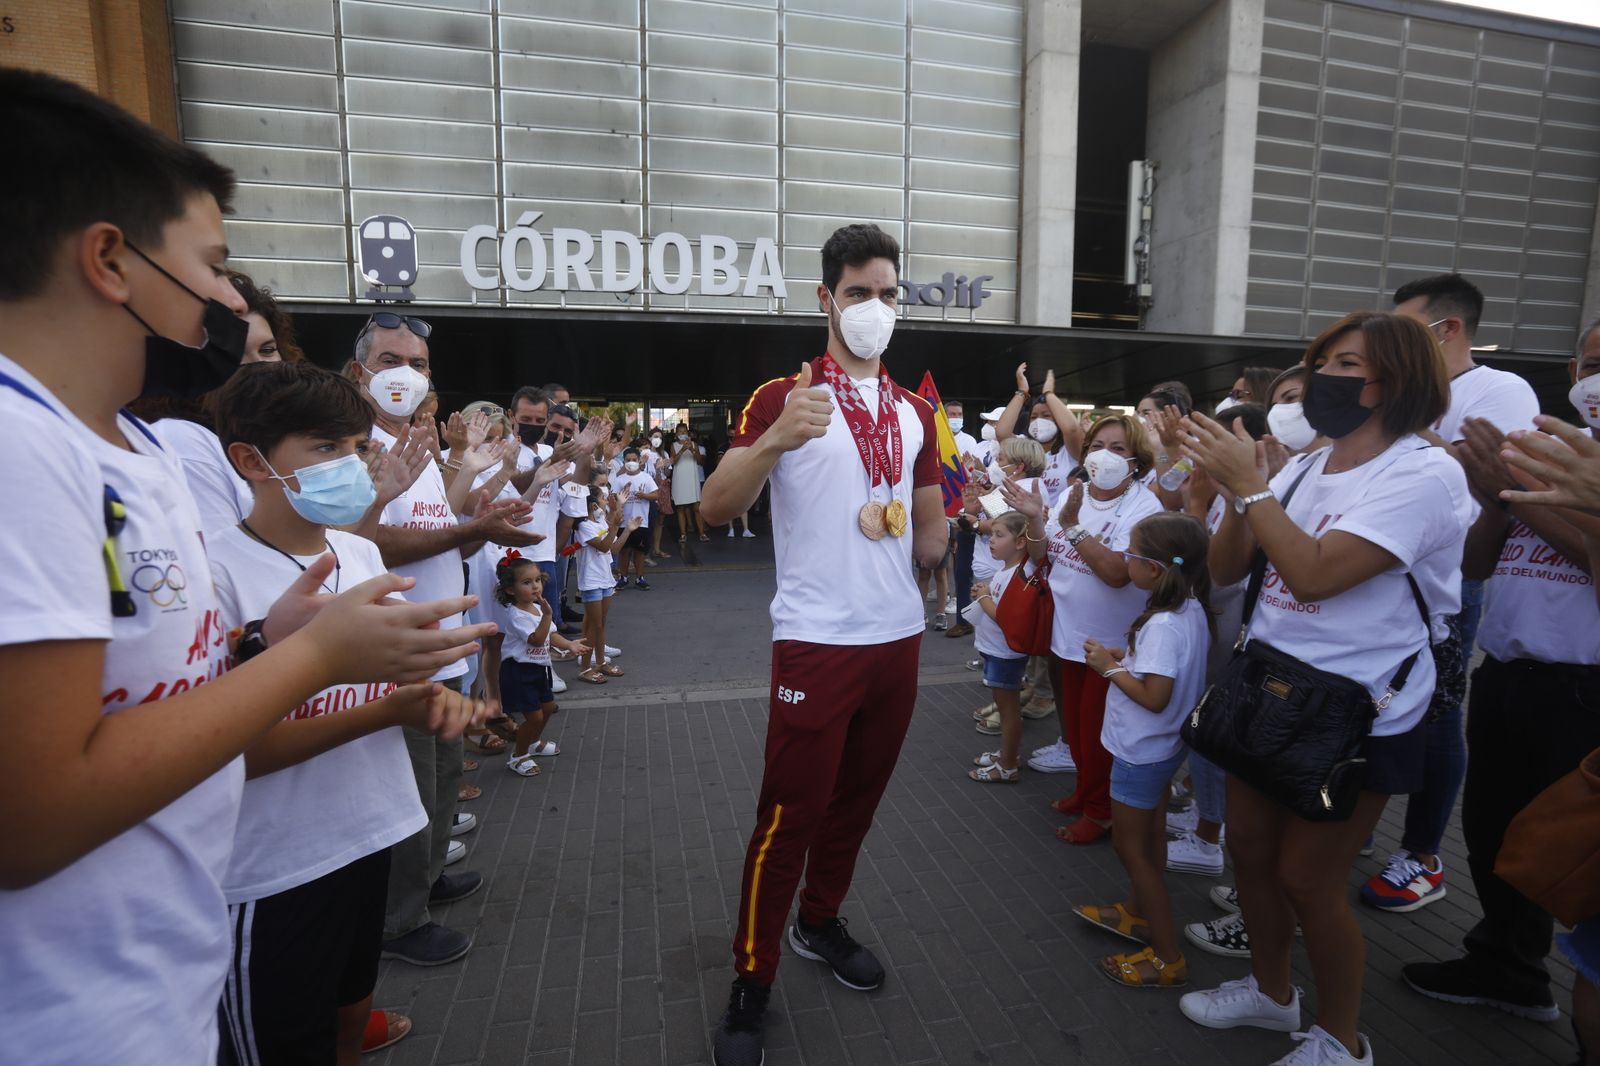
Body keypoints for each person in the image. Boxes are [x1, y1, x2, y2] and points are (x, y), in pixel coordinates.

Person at [0, 68, 490, 1065]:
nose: (231, 300)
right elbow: (33, 815)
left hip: (157, 983)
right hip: (75, 1021)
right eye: (213, 266)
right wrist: (309, 661)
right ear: (109, 259)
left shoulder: (124, 449)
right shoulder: (20, 448)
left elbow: (141, 693)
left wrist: (265, 640)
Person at [1178, 310, 1471, 1066]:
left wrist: (1253, 489)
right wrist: (1246, 491)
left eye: (1346, 365)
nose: (1321, 381)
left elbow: (1313, 572)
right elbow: (1227, 570)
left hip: (1359, 710)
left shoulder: (1423, 473)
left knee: (1309, 880)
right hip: (1269, 688)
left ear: (1398, 380)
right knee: (1248, 853)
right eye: (1321, 363)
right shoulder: (1310, 462)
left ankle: (1342, 1040)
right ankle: (1271, 995)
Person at [699, 223, 945, 1066]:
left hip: (899, 637)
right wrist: (773, 440)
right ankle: (752, 978)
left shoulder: (915, 410)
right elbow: (713, 512)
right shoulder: (782, 395)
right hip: (816, 640)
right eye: (858, 293)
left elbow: (926, 508)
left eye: (888, 293)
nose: (875, 308)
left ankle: (818, 920)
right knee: (788, 816)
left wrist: (940, 539)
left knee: (857, 802)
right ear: (826, 299)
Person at [208, 360, 491, 1065]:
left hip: (373, 834)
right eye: (324, 449)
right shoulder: (214, 573)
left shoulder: (360, 551)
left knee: (349, 1020)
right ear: (250, 460)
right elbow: (228, 751)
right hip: (273, 871)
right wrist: (388, 707)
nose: (351, 466)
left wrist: (440, 699)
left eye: (357, 448)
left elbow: (395, 675)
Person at [1401, 321, 1600, 1030]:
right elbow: (1480, 562)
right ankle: (1507, 965)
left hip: (1584, 690)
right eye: (1594, 362)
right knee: (1493, 833)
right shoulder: (1555, 452)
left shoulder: (1568, 468)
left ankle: (1564, 976)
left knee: (1570, 855)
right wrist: (1496, 496)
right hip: (1510, 671)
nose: (1596, 377)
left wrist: (1531, 499)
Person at [349, 314, 544, 967]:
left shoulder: (418, 448)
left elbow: (456, 510)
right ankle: (399, 921)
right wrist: (470, 533)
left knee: (439, 779)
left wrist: (493, 520)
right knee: (407, 789)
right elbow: (369, 541)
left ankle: (428, 883)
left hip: (445, 645)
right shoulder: (354, 449)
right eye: (389, 361)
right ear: (359, 373)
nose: (405, 374)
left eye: (419, 364)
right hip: (398, 649)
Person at [1371, 272, 1543, 914]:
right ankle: (1360, 818)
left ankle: (1420, 853)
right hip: (1382, 566)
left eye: (1407, 329)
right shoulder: (1398, 391)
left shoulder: (1498, 388)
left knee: (1437, 712)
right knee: (1376, 702)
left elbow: (1491, 481)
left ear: (1449, 329)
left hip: (1449, 575)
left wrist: (1406, 436)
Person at [1072, 511, 1213, 988]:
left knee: (1130, 847)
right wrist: (1124, 658)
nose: (1123, 560)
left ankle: (1167, 955)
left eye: (1130, 555)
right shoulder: (1188, 608)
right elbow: (1160, 673)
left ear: (1153, 568)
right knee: (1150, 836)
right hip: (1164, 747)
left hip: (1141, 750)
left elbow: (1155, 696)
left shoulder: (1163, 625)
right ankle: (1136, 911)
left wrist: (1105, 669)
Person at [1007, 414, 1164, 840]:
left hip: (1108, 644)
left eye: (1117, 449)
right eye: (1097, 445)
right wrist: (1037, 520)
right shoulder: (1076, 494)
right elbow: (1044, 557)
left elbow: (1118, 573)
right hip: (1066, 634)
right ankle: (1084, 791)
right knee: (1074, 727)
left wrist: (1073, 528)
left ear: (1136, 461)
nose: (1103, 456)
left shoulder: (1144, 507)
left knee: (1098, 733)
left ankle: (1099, 812)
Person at [142, 270, 299, 537]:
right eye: (233, 354)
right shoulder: (182, 437)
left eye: (268, 350)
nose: (258, 366)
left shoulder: (275, 433)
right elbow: (225, 559)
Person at [490, 556, 587, 776]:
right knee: (534, 717)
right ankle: (519, 756)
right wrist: (548, 615)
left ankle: (533, 742)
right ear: (511, 590)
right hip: (519, 672)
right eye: (527, 582)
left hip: (539, 669)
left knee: (548, 709)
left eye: (537, 580)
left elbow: (551, 635)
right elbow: (536, 638)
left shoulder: (537, 608)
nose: (535, 586)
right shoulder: (516, 615)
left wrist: (570, 645)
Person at [966, 511, 1033, 783]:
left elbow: (1005, 616)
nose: (991, 540)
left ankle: (1007, 765)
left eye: (999, 535)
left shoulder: (1018, 574)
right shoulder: (1005, 570)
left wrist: (983, 597)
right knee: (1002, 705)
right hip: (996, 650)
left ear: (1020, 542)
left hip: (1005, 653)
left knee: (1008, 711)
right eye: (991, 534)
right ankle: (1007, 753)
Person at [574, 474, 634, 684]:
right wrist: (616, 525)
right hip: (590, 581)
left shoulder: (599, 521)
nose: (604, 502)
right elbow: (604, 545)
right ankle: (584, 668)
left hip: (605, 580)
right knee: (593, 626)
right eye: (601, 498)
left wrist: (626, 527)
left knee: (600, 625)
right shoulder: (583, 527)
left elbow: (614, 547)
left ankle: (600, 663)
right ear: (592, 505)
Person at [996, 364, 1082, 508]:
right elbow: (1002, 433)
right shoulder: (1024, 447)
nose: (1039, 421)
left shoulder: (1069, 451)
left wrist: (1048, 393)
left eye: (1046, 416)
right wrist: (1022, 392)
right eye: (1034, 417)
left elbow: (1072, 429)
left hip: (1059, 523)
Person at [946, 399, 983, 638]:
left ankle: (977, 621)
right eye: (952, 414)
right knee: (958, 568)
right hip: (952, 509)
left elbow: (981, 478)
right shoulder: (938, 435)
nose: (956, 418)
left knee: (973, 571)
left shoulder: (971, 442)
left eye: (959, 414)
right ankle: (963, 617)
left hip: (974, 514)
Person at [612, 446, 658, 591]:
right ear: (623, 461)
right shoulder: (619, 479)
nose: (631, 462)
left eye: (634, 460)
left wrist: (644, 496)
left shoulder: (646, 477)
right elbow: (612, 498)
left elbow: (656, 494)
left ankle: (640, 578)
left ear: (639, 461)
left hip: (641, 522)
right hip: (623, 522)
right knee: (624, 551)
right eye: (628, 460)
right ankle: (623, 577)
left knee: (639, 551)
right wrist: (621, 495)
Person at [671, 425, 709, 542]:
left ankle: (702, 533)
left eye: (684, 431)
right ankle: (683, 534)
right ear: (676, 434)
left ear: (688, 433)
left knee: (697, 507)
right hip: (680, 478)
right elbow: (674, 461)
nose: (682, 433)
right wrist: (682, 449)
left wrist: (691, 449)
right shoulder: (673, 445)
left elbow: (699, 461)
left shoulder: (694, 444)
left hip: (692, 478)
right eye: (680, 432)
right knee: (681, 507)